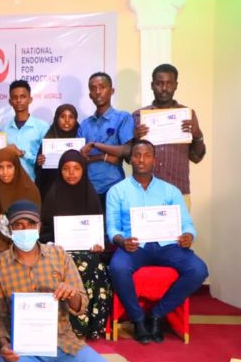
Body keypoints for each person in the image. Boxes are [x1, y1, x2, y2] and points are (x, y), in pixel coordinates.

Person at [0, 200, 124, 362]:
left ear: (39, 226)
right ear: (9, 230)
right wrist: (3, 345)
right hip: (21, 350)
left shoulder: (59, 255)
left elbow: (81, 303)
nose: (24, 230)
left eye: (29, 224)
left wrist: (70, 292)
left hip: (62, 343)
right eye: (17, 225)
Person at [106, 139, 208, 344]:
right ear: (130, 159)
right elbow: (112, 228)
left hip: (167, 245)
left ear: (155, 160)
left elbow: (187, 223)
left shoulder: (171, 191)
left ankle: (157, 315)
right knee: (117, 268)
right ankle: (138, 320)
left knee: (198, 269)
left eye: (147, 155)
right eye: (137, 155)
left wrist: (189, 235)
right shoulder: (117, 191)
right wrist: (121, 240)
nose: (141, 160)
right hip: (134, 246)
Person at [40, 149, 111, 339]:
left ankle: (90, 325)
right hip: (59, 252)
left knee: (95, 265)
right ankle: (64, 326)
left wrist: (98, 245)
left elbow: (100, 232)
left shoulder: (91, 195)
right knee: (64, 264)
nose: (71, 173)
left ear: (83, 170)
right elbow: (44, 231)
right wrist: (53, 243)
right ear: (60, 171)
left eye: (76, 168)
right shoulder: (52, 196)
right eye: (66, 169)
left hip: (87, 251)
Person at [132, 64, 206, 209]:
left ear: (176, 85)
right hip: (144, 191)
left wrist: (198, 135)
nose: (164, 88)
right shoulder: (138, 116)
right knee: (143, 232)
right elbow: (130, 158)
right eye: (159, 84)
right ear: (152, 85)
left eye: (169, 83)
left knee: (180, 233)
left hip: (178, 191)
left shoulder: (187, 114)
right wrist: (135, 139)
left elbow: (197, 157)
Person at [77, 72, 134, 209]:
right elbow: (80, 157)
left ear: (112, 91)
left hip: (114, 187)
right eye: (93, 88)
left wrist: (94, 145)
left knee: (113, 229)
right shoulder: (84, 124)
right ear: (90, 95)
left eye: (102, 87)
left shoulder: (123, 118)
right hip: (88, 189)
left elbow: (126, 150)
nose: (98, 92)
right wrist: (104, 157)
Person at [0, 147, 40, 263]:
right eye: (0, 167)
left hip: (25, 246)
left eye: (9, 167)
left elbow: (31, 227)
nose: (5, 172)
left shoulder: (29, 191)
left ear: (17, 167)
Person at [2, 80, 49, 182]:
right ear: (10, 102)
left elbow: (46, 160)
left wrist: (22, 154)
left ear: (30, 99)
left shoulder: (42, 127)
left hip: (34, 183)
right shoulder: (3, 129)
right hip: (9, 183)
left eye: (23, 96)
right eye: (14, 97)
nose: (19, 100)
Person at [34, 104, 80, 199]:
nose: (67, 120)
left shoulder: (81, 139)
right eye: (63, 116)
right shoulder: (48, 139)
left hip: (76, 191)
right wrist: (39, 163)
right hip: (51, 191)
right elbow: (39, 174)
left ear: (75, 120)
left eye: (71, 117)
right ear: (56, 119)